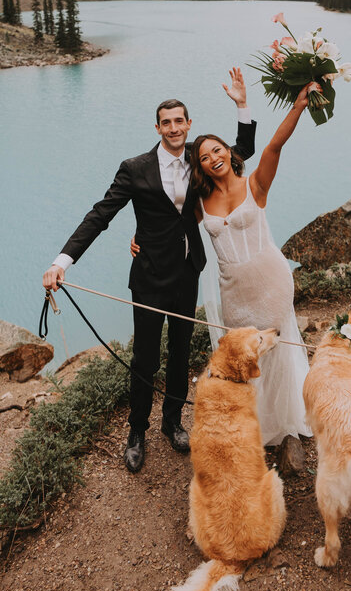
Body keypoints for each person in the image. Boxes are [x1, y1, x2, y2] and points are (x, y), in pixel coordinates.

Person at [42, 69, 256, 474]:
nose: (174, 128)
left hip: (188, 271)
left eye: (180, 121)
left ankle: (172, 421)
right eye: (166, 122)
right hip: (149, 275)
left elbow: (242, 149)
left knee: (179, 354)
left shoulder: (200, 156)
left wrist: (242, 104)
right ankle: (136, 431)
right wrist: (61, 261)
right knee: (144, 358)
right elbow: (100, 214)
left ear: (188, 125)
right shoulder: (134, 168)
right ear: (157, 127)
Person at [187, 83, 314, 457]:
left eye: (217, 149)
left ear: (228, 152)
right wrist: (139, 237)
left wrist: (298, 106)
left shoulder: (254, 184)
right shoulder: (199, 202)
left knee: (274, 349)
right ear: (200, 166)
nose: (213, 158)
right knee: (242, 354)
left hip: (269, 279)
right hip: (233, 288)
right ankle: (252, 423)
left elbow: (273, 145)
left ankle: (285, 422)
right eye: (205, 156)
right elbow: (167, 223)